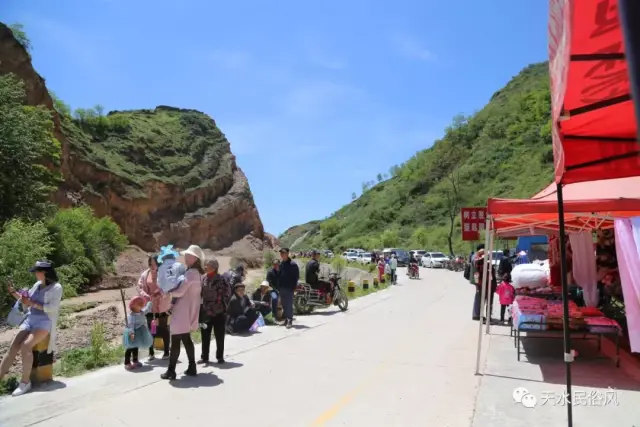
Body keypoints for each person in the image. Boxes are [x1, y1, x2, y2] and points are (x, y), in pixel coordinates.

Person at [0, 260, 63, 397]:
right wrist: (13, 292)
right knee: (13, 347)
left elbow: (52, 308)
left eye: (37, 271)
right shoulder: (37, 285)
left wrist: (33, 304)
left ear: (44, 272)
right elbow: (25, 301)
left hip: (44, 321)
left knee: (26, 345)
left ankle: (24, 382)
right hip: (30, 319)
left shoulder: (56, 287)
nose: (35, 274)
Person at [160, 245, 204, 380]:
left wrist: (168, 292)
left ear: (194, 258)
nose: (185, 257)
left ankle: (171, 371)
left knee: (176, 340)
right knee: (186, 339)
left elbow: (180, 291)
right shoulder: (198, 273)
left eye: (188, 255)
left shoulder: (190, 273)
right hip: (190, 309)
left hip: (182, 310)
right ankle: (192, 367)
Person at [137, 253, 171, 361]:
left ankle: (166, 351)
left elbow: (168, 287)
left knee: (164, 328)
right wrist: (146, 296)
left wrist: (160, 294)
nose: (152, 266)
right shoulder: (145, 274)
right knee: (151, 330)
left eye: (154, 263)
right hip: (150, 307)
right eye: (150, 264)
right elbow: (140, 287)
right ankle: (151, 353)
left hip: (162, 306)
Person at [199, 258, 231, 365]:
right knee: (205, 334)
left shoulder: (222, 279)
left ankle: (220, 357)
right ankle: (204, 357)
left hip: (219, 312)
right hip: (206, 312)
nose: (205, 267)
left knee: (219, 335)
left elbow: (227, 293)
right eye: (205, 265)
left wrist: (221, 305)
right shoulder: (203, 279)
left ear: (214, 267)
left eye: (207, 265)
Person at [122, 296, 154, 370]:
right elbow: (130, 325)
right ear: (133, 307)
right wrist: (131, 333)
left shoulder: (141, 312)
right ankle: (127, 362)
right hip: (132, 333)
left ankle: (135, 360)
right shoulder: (132, 316)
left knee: (136, 347)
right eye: (139, 304)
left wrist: (150, 303)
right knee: (130, 348)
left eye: (141, 304)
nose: (141, 305)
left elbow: (147, 309)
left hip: (139, 333)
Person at [472, 248, 497, 322]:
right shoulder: (482, 265)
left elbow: (476, 276)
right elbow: (477, 276)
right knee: (487, 302)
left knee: (484, 302)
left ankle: (484, 317)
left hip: (485, 286)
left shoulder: (480, 264)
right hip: (485, 286)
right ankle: (486, 317)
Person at [277, 247, 299, 329]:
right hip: (282, 287)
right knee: (284, 304)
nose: (282, 255)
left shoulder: (293, 264)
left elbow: (296, 277)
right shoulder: (281, 264)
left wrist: (294, 287)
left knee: (289, 304)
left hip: (289, 287)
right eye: (281, 253)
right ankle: (286, 319)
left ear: (287, 253)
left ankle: (290, 320)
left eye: (284, 253)